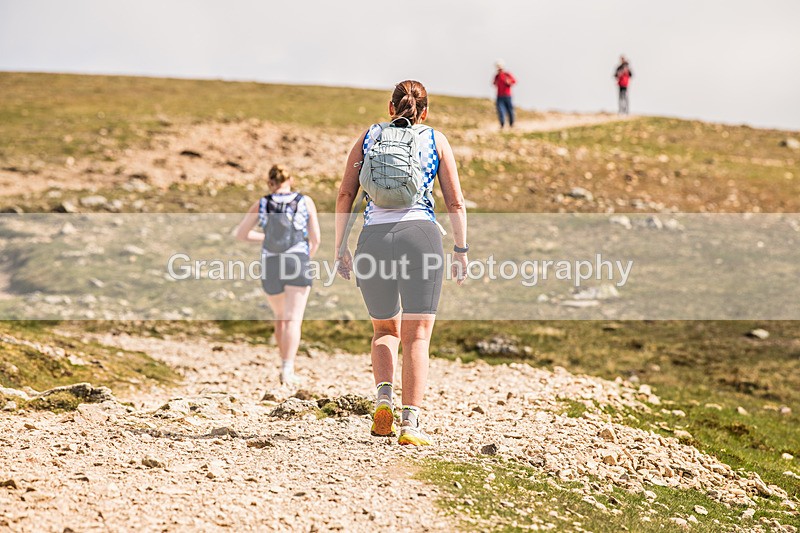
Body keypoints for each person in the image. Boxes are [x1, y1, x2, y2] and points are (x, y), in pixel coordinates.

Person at [335, 80, 468, 446]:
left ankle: (383, 400)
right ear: (424, 112)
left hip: (374, 239)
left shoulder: (369, 137)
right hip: (420, 237)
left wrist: (339, 247)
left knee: (384, 331)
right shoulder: (436, 140)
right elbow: (455, 202)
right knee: (417, 336)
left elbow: (346, 192)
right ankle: (410, 423)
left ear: (391, 109)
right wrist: (461, 249)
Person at [236, 164, 320, 386]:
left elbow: (241, 234)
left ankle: (283, 364)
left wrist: (265, 240)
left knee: (280, 317)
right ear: (290, 180)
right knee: (294, 319)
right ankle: (288, 369)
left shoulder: (262, 203)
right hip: (297, 260)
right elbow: (316, 239)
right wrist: (305, 257)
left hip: (271, 262)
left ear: (270, 183)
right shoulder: (305, 201)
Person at [493, 60, 516, 128]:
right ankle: (502, 124)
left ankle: (511, 124)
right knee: (500, 110)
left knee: (510, 110)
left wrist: (509, 81)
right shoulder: (497, 76)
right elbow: (494, 83)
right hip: (499, 96)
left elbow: (514, 81)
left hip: (507, 95)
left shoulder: (507, 74)